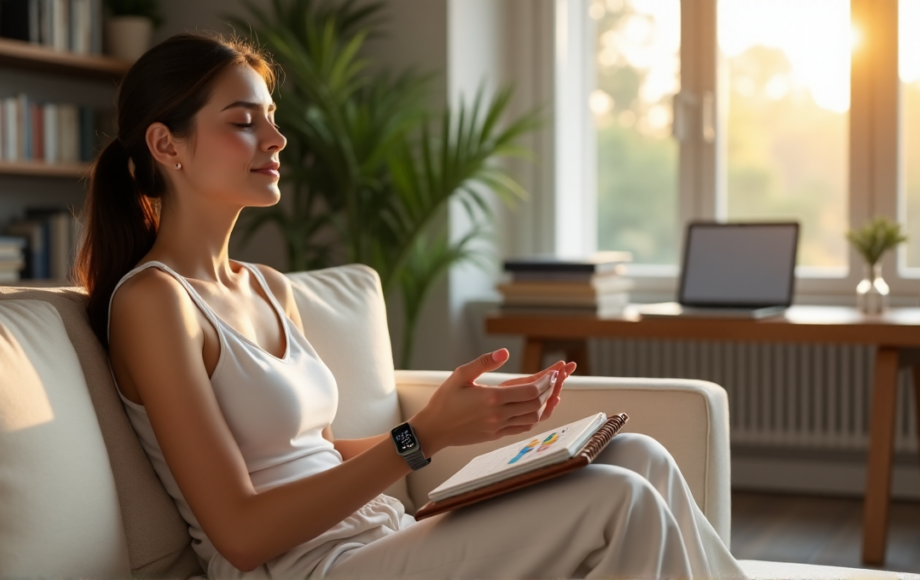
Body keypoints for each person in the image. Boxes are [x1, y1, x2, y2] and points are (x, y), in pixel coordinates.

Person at [76, 31, 748, 580]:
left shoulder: (268, 287)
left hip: (383, 535)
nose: (276, 142)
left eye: (272, 123)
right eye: (243, 124)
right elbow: (242, 533)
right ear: (167, 146)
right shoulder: (155, 303)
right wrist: (418, 438)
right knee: (618, 500)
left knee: (637, 457)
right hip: (309, 568)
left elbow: (312, 452)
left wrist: (460, 424)